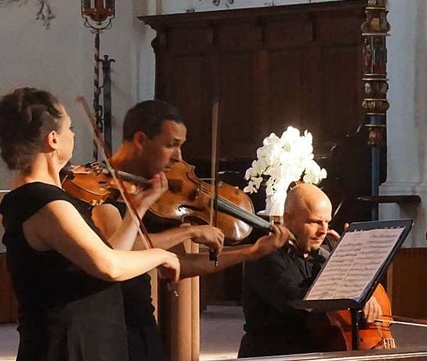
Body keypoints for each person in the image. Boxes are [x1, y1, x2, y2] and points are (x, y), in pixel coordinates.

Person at [90, 99, 290, 361]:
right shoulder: (100, 189)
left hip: (139, 321)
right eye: (171, 145)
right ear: (140, 140)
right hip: (104, 327)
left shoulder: (159, 193)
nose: (179, 157)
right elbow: (118, 251)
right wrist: (189, 232)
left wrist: (250, 252)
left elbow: (182, 264)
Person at [0, 87, 181, 361]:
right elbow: (109, 266)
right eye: (70, 128)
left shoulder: (45, 197)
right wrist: (162, 255)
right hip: (67, 348)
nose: (73, 135)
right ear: (53, 140)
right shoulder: (43, 201)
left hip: (87, 343)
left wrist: (139, 207)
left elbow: (107, 255)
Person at [238, 183, 382, 358]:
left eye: (327, 222)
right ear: (288, 219)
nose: (323, 231)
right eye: (314, 222)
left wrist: (363, 287)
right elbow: (301, 302)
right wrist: (352, 293)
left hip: (316, 351)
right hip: (273, 354)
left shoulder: (322, 256)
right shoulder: (265, 256)